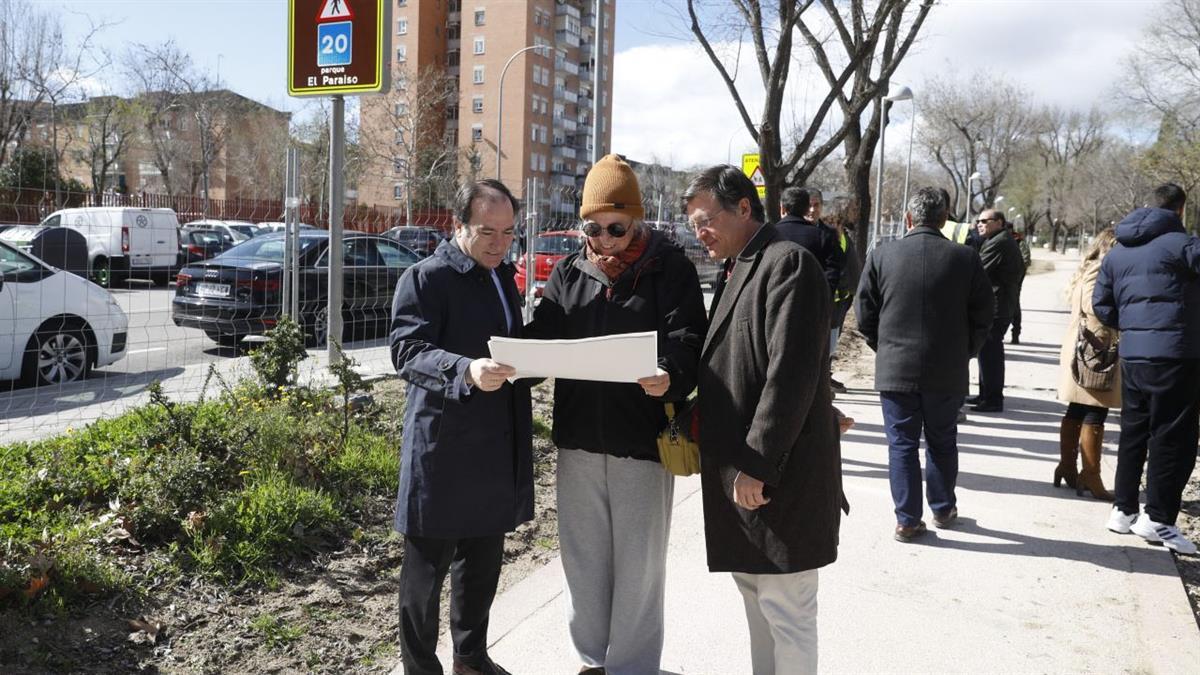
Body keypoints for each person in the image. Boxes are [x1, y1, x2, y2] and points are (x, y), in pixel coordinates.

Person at [526, 154, 708, 674]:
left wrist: (670, 373)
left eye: (616, 227)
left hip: (643, 441)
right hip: (579, 438)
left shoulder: (670, 269)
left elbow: (689, 340)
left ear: (638, 219)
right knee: (582, 557)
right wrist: (516, 358)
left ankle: (631, 665)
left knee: (639, 564)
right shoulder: (568, 270)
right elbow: (546, 334)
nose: (604, 239)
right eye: (593, 227)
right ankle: (591, 660)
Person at [684, 165, 844, 674]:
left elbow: (789, 373)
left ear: (745, 208)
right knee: (758, 600)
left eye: (706, 221)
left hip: (775, 478)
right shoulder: (742, 265)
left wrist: (756, 463)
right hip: (748, 473)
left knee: (787, 608)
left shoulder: (787, 263)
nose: (700, 233)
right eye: (693, 226)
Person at [389, 179, 531, 675]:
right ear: (456, 226)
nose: (499, 243)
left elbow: (508, 347)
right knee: (424, 579)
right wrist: (464, 369)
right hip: (442, 450)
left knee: (481, 565)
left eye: (509, 233)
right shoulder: (425, 279)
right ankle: (420, 669)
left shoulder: (500, 276)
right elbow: (407, 351)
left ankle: (471, 659)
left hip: (494, 446)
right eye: (487, 232)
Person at [855, 187, 994, 541]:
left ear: (908, 218)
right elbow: (984, 315)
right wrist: (965, 351)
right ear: (945, 218)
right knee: (942, 441)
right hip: (946, 368)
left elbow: (864, 313)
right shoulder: (965, 258)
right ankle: (943, 508)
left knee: (901, 444)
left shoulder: (883, 255)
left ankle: (906, 518)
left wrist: (884, 348)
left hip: (895, 368)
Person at [1093, 183, 1200, 554]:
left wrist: (1136, 326)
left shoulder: (1119, 253)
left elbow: (1102, 306)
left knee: (1134, 431)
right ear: (1180, 211)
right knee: (1174, 437)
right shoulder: (1185, 246)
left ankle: (1123, 510)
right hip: (1177, 355)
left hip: (1135, 356)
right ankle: (1158, 520)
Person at [1055, 228, 1119, 500]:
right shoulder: (1099, 270)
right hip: (1095, 350)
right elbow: (1093, 306)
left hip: (1088, 348)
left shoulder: (1092, 267)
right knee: (1095, 410)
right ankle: (1090, 476)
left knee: (1079, 409)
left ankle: (1068, 468)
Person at [970, 208, 1024, 412]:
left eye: (985, 220)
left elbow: (978, 270)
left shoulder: (1000, 242)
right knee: (986, 352)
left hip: (997, 307)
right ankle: (986, 394)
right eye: (978, 221)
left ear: (1000, 222)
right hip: (997, 304)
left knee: (990, 353)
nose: (979, 224)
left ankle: (992, 399)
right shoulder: (996, 240)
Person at [808, 189, 859, 394]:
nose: (856, 213)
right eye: (852, 209)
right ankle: (821, 382)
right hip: (831, 299)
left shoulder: (841, 232)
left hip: (842, 298)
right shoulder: (828, 233)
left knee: (831, 343)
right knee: (824, 343)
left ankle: (826, 377)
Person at [1009, 221, 1032, 344]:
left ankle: (1015, 333)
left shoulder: (1019, 241)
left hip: (1015, 279)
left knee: (1015, 303)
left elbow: (1026, 260)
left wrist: (1015, 271)